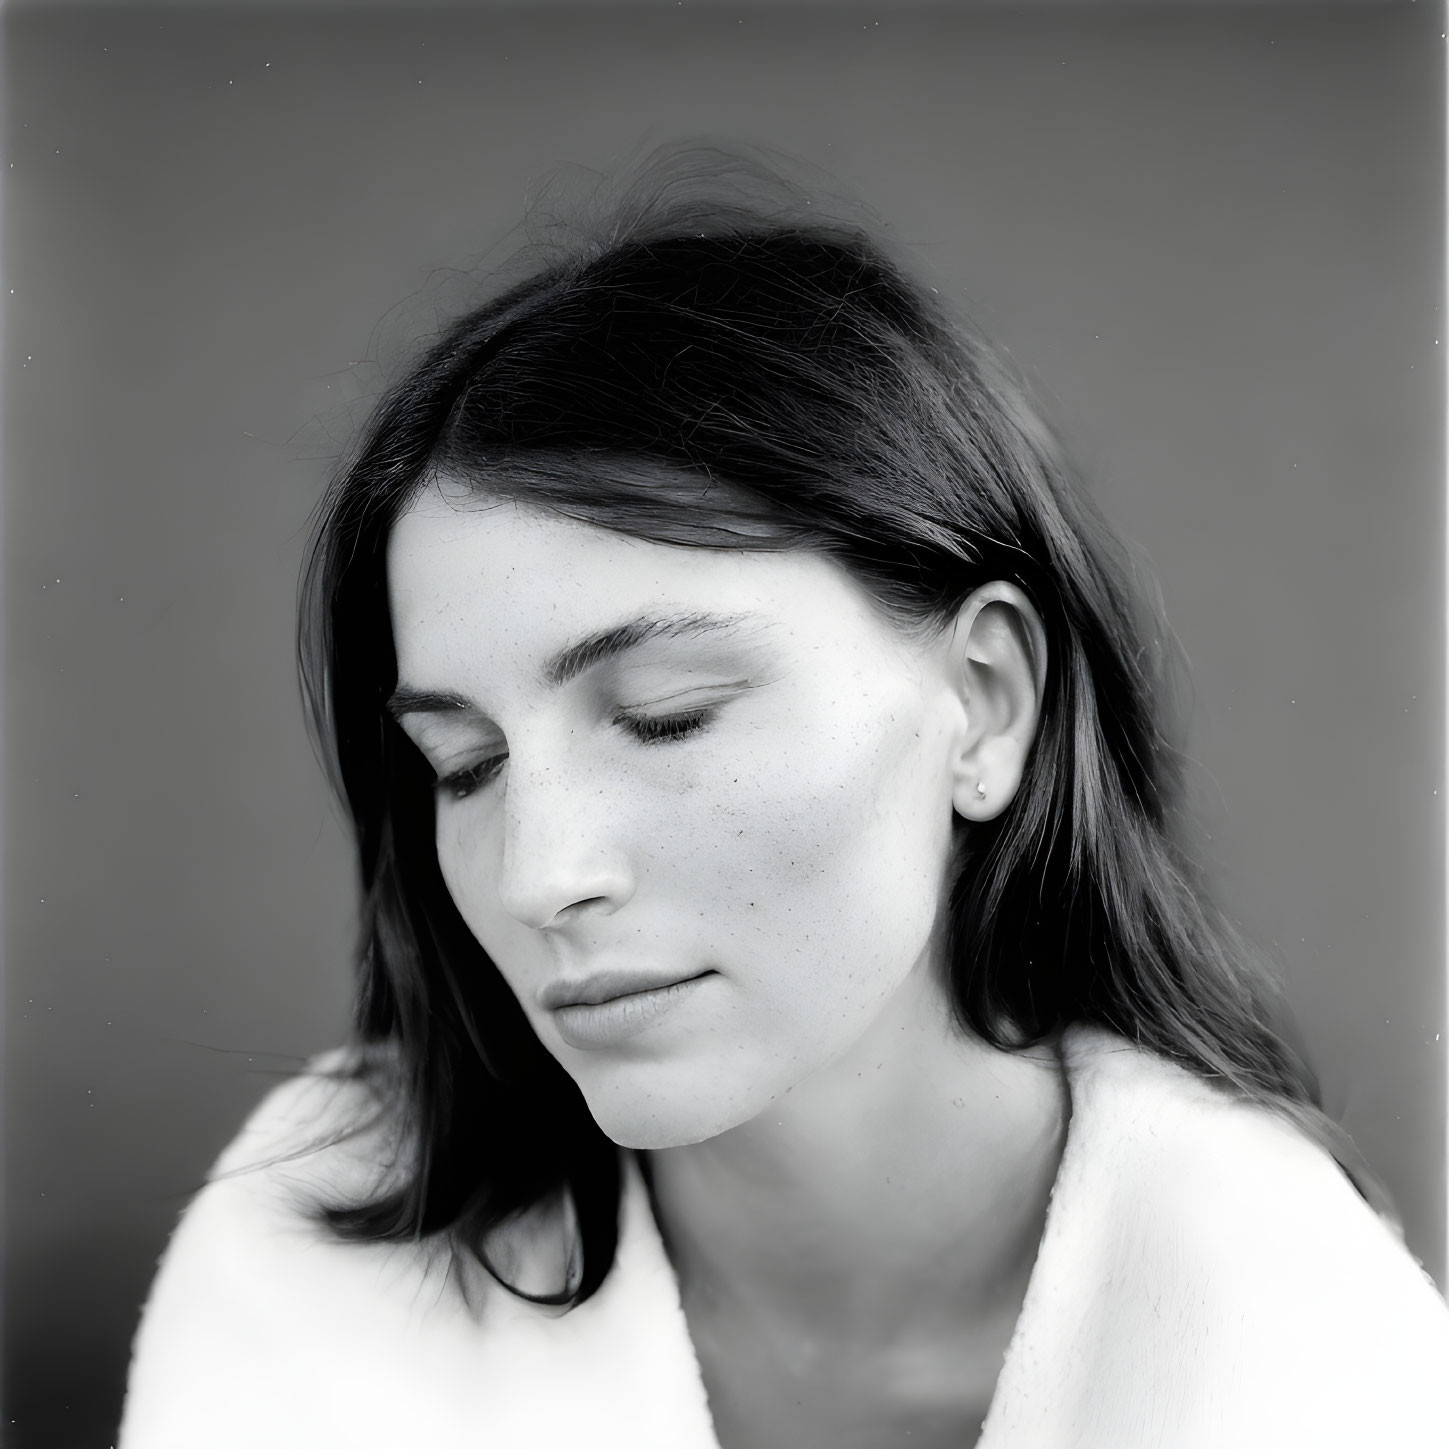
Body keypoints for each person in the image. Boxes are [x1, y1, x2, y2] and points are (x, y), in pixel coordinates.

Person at [119, 151, 1448, 1448]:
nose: (539, 874)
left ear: (982, 698)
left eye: (665, 714)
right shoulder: (315, 1247)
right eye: (465, 765)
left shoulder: (1288, 1318)